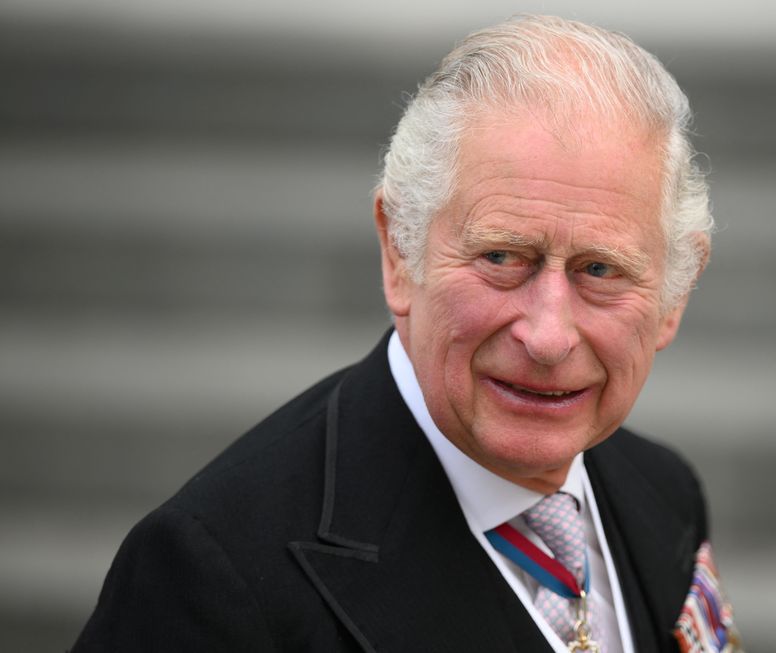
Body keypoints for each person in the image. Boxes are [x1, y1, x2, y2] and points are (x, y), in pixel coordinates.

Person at [72, 14, 740, 653]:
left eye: (600, 269)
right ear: (399, 252)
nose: (547, 334)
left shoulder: (665, 493)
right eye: (502, 257)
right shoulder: (216, 576)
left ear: (674, 295)